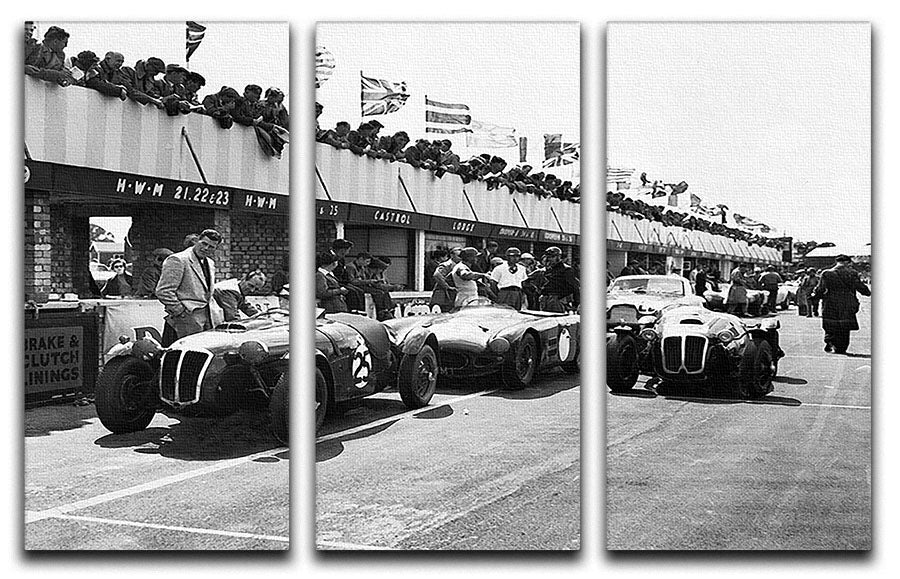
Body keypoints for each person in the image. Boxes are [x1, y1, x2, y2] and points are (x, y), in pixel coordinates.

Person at [156, 229, 221, 346]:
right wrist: (181, 312)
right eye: (204, 244)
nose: (206, 248)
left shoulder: (210, 263)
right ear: (197, 241)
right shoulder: (178, 259)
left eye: (211, 247)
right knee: (179, 357)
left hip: (206, 320)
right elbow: (164, 291)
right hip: (184, 320)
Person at [812, 255, 871, 355]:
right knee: (844, 326)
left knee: (830, 323)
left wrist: (815, 296)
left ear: (837, 262)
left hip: (830, 303)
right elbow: (860, 286)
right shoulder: (852, 273)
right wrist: (867, 292)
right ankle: (841, 348)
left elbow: (820, 289)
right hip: (847, 303)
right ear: (848, 262)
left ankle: (829, 340)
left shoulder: (826, 273)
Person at [539, 247, 579, 312]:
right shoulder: (548, 269)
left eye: (552, 257)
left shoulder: (566, 269)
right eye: (548, 257)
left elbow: (574, 287)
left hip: (557, 299)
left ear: (559, 257)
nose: (550, 259)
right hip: (545, 299)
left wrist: (576, 303)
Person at [430, 247, 461, 312]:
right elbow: (437, 275)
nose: (460, 258)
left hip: (453, 298)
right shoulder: (446, 265)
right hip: (442, 298)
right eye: (458, 256)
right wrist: (447, 287)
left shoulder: (461, 266)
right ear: (452, 255)